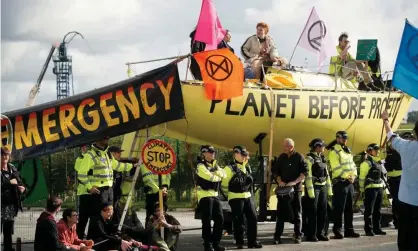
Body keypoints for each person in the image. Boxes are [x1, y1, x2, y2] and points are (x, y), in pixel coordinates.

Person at [381, 110, 418, 251]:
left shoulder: (406, 147)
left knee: (405, 237)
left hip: (405, 200)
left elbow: (391, 136)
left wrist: (385, 120)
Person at [77, 137, 140, 217]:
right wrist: (89, 187)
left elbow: (117, 166)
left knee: (109, 216)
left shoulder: (108, 154)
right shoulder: (90, 155)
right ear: (97, 138)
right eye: (104, 137)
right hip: (99, 191)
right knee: (99, 217)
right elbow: (81, 174)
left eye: (107, 136)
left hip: (109, 189)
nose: (107, 138)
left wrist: (132, 166)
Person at [221, 146, 262, 249]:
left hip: (247, 196)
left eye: (245, 155)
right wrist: (229, 196)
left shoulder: (246, 167)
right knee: (239, 221)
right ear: (236, 154)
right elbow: (224, 185)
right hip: (235, 197)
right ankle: (239, 242)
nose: (245, 157)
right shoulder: (229, 168)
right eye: (243, 155)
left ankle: (252, 242)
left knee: (253, 218)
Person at [271, 138, 307, 244]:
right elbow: (276, 172)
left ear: (291, 147)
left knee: (297, 213)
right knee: (280, 214)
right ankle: (277, 236)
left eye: (286, 146)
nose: (284, 148)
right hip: (283, 190)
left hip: (296, 189)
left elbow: (304, 173)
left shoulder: (299, 157)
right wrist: (280, 181)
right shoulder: (281, 157)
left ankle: (298, 235)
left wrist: (295, 182)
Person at [328, 131, 360, 239]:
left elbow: (353, 165)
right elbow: (336, 168)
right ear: (337, 139)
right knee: (339, 208)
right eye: (343, 139)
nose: (345, 140)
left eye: (346, 139)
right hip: (340, 182)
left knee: (349, 208)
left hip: (349, 182)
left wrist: (354, 175)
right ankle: (337, 230)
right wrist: (347, 176)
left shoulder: (347, 151)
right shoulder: (334, 151)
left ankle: (349, 231)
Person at [195, 145, 226, 251]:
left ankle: (216, 243)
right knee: (207, 222)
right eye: (210, 152)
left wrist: (216, 174)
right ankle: (207, 244)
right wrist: (217, 176)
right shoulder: (200, 166)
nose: (213, 154)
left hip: (215, 195)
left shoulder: (215, 165)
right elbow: (210, 177)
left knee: (220, 219)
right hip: (205, 196)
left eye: (213, 152)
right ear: (204, 153)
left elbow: (224, 174)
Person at [303, 139, 333, 242]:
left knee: (323, 210)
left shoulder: (323, 158)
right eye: (322, 146)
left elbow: (327, 175)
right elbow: (308, 176)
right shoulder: (309, 158)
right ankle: (311, 234)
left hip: (323, 187)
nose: (324, 147)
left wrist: (329, 190)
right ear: (317, 147)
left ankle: (320, 233)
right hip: (314, 188)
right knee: (312, 212)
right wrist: (310, 192)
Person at [1, 146, 26, 251]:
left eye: (7, 154)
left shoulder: (12, 168)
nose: (5, 157)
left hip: (10, 205)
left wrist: (23, 188)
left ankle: (7, 249)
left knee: (8, 231)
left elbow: (19, 182)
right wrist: (10, 183)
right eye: (2, 154)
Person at [359, 143, 387, 236]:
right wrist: (362, 190)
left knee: (377, 210)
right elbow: (362, 178)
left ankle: (377, 228)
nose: (378, 151)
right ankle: (368, 229)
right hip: (370, 189)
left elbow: (383, 173)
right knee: (369, 211)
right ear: (370, 151)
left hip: (379, 188)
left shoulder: (379, 161)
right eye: (376, 150)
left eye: (378, 150)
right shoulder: (366, 163)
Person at [141, 159, 171, 227]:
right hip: (152, 194)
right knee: (151, 216)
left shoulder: (164, 162)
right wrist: (159, 190)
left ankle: (163, 234)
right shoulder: (146, 163)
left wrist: (165, 187)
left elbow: (168, 176)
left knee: (163, 215)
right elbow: (148, 179)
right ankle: (149, 235)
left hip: (162, 192)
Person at [74, 144, 92, 239]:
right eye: (85, 147)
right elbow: (82, 170)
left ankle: (90, 238)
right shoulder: (79, 159)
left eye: (88, 147)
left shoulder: (93, 158)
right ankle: (79, 238)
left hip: (94, 192)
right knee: (83, 219)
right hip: (84, 192)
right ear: (82, 149)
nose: (86, 149)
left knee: (93, 219)